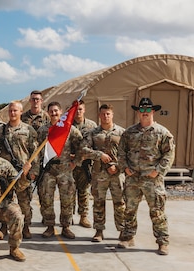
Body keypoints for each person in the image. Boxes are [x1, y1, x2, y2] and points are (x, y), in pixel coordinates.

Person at [117, 98, 175, 255]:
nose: (144, 113)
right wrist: (125, 168)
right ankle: (128, 237)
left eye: (147, 110)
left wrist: (158, 170)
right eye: (141, 110)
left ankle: (163, 242)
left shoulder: (162, 133)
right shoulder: (129, 133)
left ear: (153, 112)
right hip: (133, 178)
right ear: (137, 112)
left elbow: (169, 154)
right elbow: (121, 152)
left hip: (152, 179)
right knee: (129, 210)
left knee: (157, 211)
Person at [36, 102, 83, 239]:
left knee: (67, 199)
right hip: (49, 170)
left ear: (61, 112)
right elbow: (37, 150)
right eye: (51, 111)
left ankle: (66, 226)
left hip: (65, 169)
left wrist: (76, 162)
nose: (54, 113)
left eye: (56, 111)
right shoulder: (43, 130)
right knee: (46, 199)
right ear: (47, 113)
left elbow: (82, 146)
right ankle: (50, 226)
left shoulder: (69, 129)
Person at [0, 101, 38, 239]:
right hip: (5, 173)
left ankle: (26, 227)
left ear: (20, 112)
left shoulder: (29, 130)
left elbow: (35, 152)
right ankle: (5, 225)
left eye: (15, 111)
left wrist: (33, 172)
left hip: (23, 172)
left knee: (24, 202)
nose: (12, 113)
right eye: (10, 111)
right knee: (5, 201)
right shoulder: (0, 130)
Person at [81, 104, 126, 242]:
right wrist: (98, 154)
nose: (105, 116)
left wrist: (118, 166)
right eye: (103, 114)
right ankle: (99, 231)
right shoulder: (93, 133)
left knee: (120, 203)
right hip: (99, 173)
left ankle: (122, 230)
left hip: (117, 175)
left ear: (112, 115)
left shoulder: (122, 132)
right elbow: (84, 149)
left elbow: (129, 153)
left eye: (108, 114)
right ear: (99, 115)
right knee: (99, 202)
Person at [72, 100, 97, 228]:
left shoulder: (92, 126)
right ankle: (68, 216)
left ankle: (83, 217)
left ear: (84, 110)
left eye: (80, 109)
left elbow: (95, 145)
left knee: (84, 191)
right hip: (70, 164)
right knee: (69, 191)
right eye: (76, 109)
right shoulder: (67, 125)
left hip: (85, 165)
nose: (78, 112)